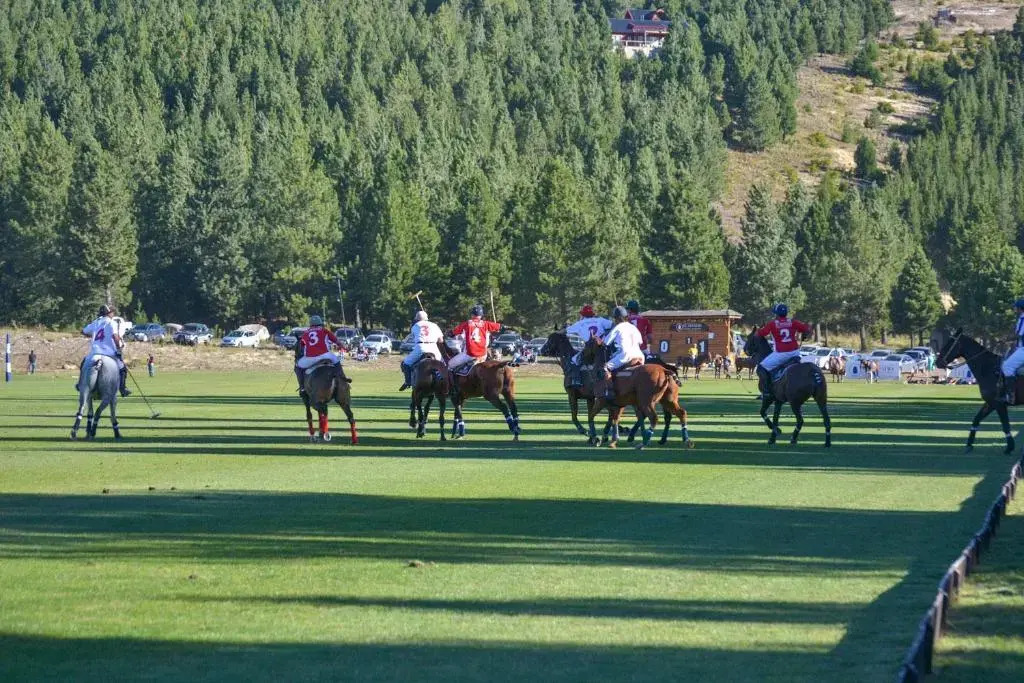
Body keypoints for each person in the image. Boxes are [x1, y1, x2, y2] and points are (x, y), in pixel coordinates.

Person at [755, 303, 813, 399]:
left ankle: (766, 393)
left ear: (776, 314)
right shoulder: (793, 322)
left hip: (781, 353)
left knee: (761, 368)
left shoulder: (772, 323)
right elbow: (807, 329)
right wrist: (804, 335)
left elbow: (761, 334)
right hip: (795, 353)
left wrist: (758, 330)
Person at [448, 304, 501, 400]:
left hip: (469, 354)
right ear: (481, 315)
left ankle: (453, 389)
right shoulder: (486, 323)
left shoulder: (467, 323)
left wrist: (449, 333)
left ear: (472, 314)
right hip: (483, 355)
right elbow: (500, 327)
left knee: (450, 365)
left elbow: (452, 333)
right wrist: (496, 327)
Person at [79, 305, 131, 397]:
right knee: (122, 369)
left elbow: (83, 331)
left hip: (95, 352)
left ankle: (80, 384)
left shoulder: (96, 322)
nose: (113, 314)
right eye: (112, 312)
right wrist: (118, 349)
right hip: (109, 353)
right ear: (109, 313)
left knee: (83, 364)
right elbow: (115, 337)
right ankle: (123, 389)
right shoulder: (111, 322)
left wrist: (92, 334)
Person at [601, 306, 645, 400]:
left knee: (605, 367)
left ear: (616, 318)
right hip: (640, 355)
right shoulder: (633, 327)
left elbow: (605, 343)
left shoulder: (617, 327)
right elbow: (640, 342)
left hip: (625, 355)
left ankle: (610, 391)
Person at [565, 305, 613, 387]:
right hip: (602, 348)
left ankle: (577, 380)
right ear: (593, 314)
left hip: (589, 349)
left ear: (583, 315)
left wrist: (560, 330)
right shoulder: (600, 320)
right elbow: (612, 324)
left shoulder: (580, 323)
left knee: (574, 360)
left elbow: (567, 330)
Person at [294, 315, 341, 394]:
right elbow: (336, 341)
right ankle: (342, 380)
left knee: (297, 366)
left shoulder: (305, 333)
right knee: (337, 361)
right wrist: (342, 346)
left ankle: (302, 387)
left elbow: (301, 346)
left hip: (310, 358)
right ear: (320, 323)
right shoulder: (324, 331)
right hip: (326, 355)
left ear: (311, 324)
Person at [399, 311, 445, 391]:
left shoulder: (415, 326)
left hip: (421, 347)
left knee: (406, 363)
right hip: (434, 348)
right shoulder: (435, 325)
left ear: (417, 319)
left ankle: (408, 382)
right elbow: (441, 340)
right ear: (427, 318)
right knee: (442, 364)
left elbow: (413, 337)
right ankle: (443, 381)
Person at [1000, 298, 1024, 402]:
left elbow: (1019, 335)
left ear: (1020, 308)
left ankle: (1011, 396)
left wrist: (1005, 339)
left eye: (1016, 307)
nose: (1015, 309)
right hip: (1020, 348)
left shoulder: (1023, 319)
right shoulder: (1021, 318)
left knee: (1007, 366)